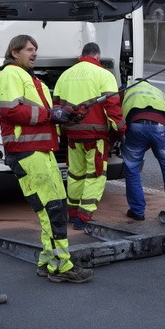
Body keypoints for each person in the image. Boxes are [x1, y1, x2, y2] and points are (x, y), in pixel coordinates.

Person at [0, 34, 93, 284]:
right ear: (14, 52)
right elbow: (11, 110)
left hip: (41, 151)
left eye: (36, 49)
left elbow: (46, 115)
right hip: (28, 152)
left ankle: (48, 261)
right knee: (51, 211)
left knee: (57, 205)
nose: (34, 53)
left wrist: (66, 115)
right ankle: (61, 267)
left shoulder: (31, 79)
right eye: (29, 49)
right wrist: (51, 113)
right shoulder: (10, 74)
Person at [52, 42, 124, 229]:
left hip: (72, 136)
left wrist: (60, 133)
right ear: (97, 57)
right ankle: (84, 217)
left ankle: (73, 211)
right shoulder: (104, 75)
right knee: (95, 175)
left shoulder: (65, 76)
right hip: (95, 136)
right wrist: (121, 130)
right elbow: (113, 108)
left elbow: (57, 108)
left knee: (75, 174)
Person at [120, 79, 165, 221]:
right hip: (161, 127)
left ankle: (137, 211)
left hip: (136, 126)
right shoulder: (157, 91)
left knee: (132, 168)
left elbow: (116, 111)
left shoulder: (125, 89)